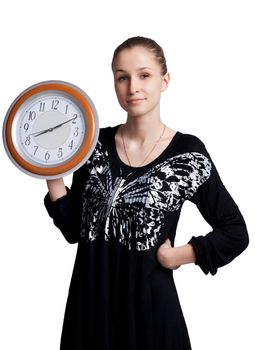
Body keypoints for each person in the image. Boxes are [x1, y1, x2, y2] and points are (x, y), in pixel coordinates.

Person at [44, 36, 249, 350]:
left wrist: (180, 255)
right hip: (88, 314)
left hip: (151, 318)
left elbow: (235, 231)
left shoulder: (188, 154)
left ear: (164, 80)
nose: (132, 87)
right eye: (122, 77)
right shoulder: (91, 143)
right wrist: (52, 177)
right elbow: (76, 231)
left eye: (144, 75)